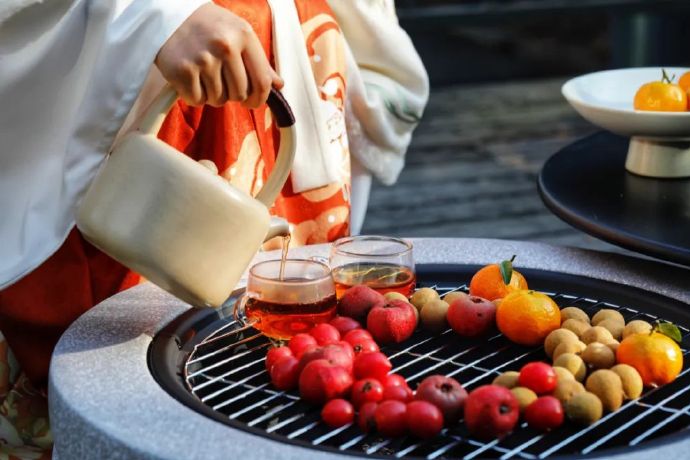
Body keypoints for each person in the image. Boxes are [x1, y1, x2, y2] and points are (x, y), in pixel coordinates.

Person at [0, 0, 428, 457]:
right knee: (129, 358)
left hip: (281, 45)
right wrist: (148, 12)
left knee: (277, 360)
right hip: (155, 65)